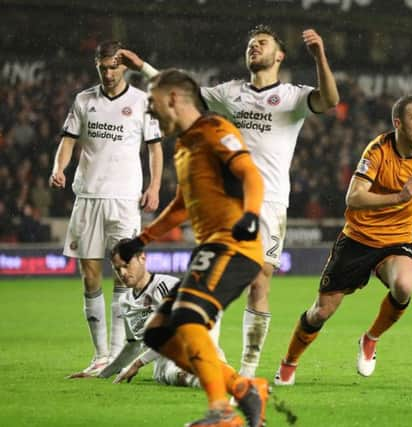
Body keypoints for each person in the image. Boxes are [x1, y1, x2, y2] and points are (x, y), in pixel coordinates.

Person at [118, 25, 339, 377]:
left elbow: (329, 100)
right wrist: (143, 67)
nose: (254, 48)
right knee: (215, 282)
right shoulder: (230, 92)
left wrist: (320, 57)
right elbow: (180, 95)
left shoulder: (292, 97)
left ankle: (248, 371)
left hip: (268, 204)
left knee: (258, 283)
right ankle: (210, 360)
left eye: (262, 44)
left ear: (279, 55)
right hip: (223, 203)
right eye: (251, 44)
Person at [273, 95, 412, 385]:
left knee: (404, 286)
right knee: (321, 312)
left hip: (396, 241)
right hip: (358, 239)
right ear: (398, 122)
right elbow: (353, 197)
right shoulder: (378, 150)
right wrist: (400, 196)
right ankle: (288, 364)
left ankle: (370, 339)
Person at [116, 69, 269, 427]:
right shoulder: (184, 146)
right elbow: (182, 206)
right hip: (211, 248)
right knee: (158, 333)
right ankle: (243, 388)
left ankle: (222, 412)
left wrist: (250, 214)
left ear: (172, 98)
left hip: (233, 246)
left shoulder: (216, 129)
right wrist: (143, 239)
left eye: (152, 103)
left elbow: (250, 174)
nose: (149, 112)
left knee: (187, 318)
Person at [50, 40, 163, 376]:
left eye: (114, 66)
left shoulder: (142, 102)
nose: (109, 72)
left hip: (125, 198)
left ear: (124, 67)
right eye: (103, 67)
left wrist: (154, 186)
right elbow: (68, 140)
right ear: (96, 65)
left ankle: (117, 355)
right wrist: (59, 168)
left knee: (125, 277)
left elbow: (155, 149)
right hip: (88, 196)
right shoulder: (84, 100)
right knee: (89, 276)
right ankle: (100, 355)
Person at [69, 238, 224, 387]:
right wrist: (102, 374)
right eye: (117, 269)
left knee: (185, 369)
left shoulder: (166, 287)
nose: (122, 273)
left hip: (190, 344)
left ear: (142, 258)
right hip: (165, 361)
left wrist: (138, 363)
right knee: (170, 374)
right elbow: (133, 346)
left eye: (126, 265)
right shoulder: (125, 301)